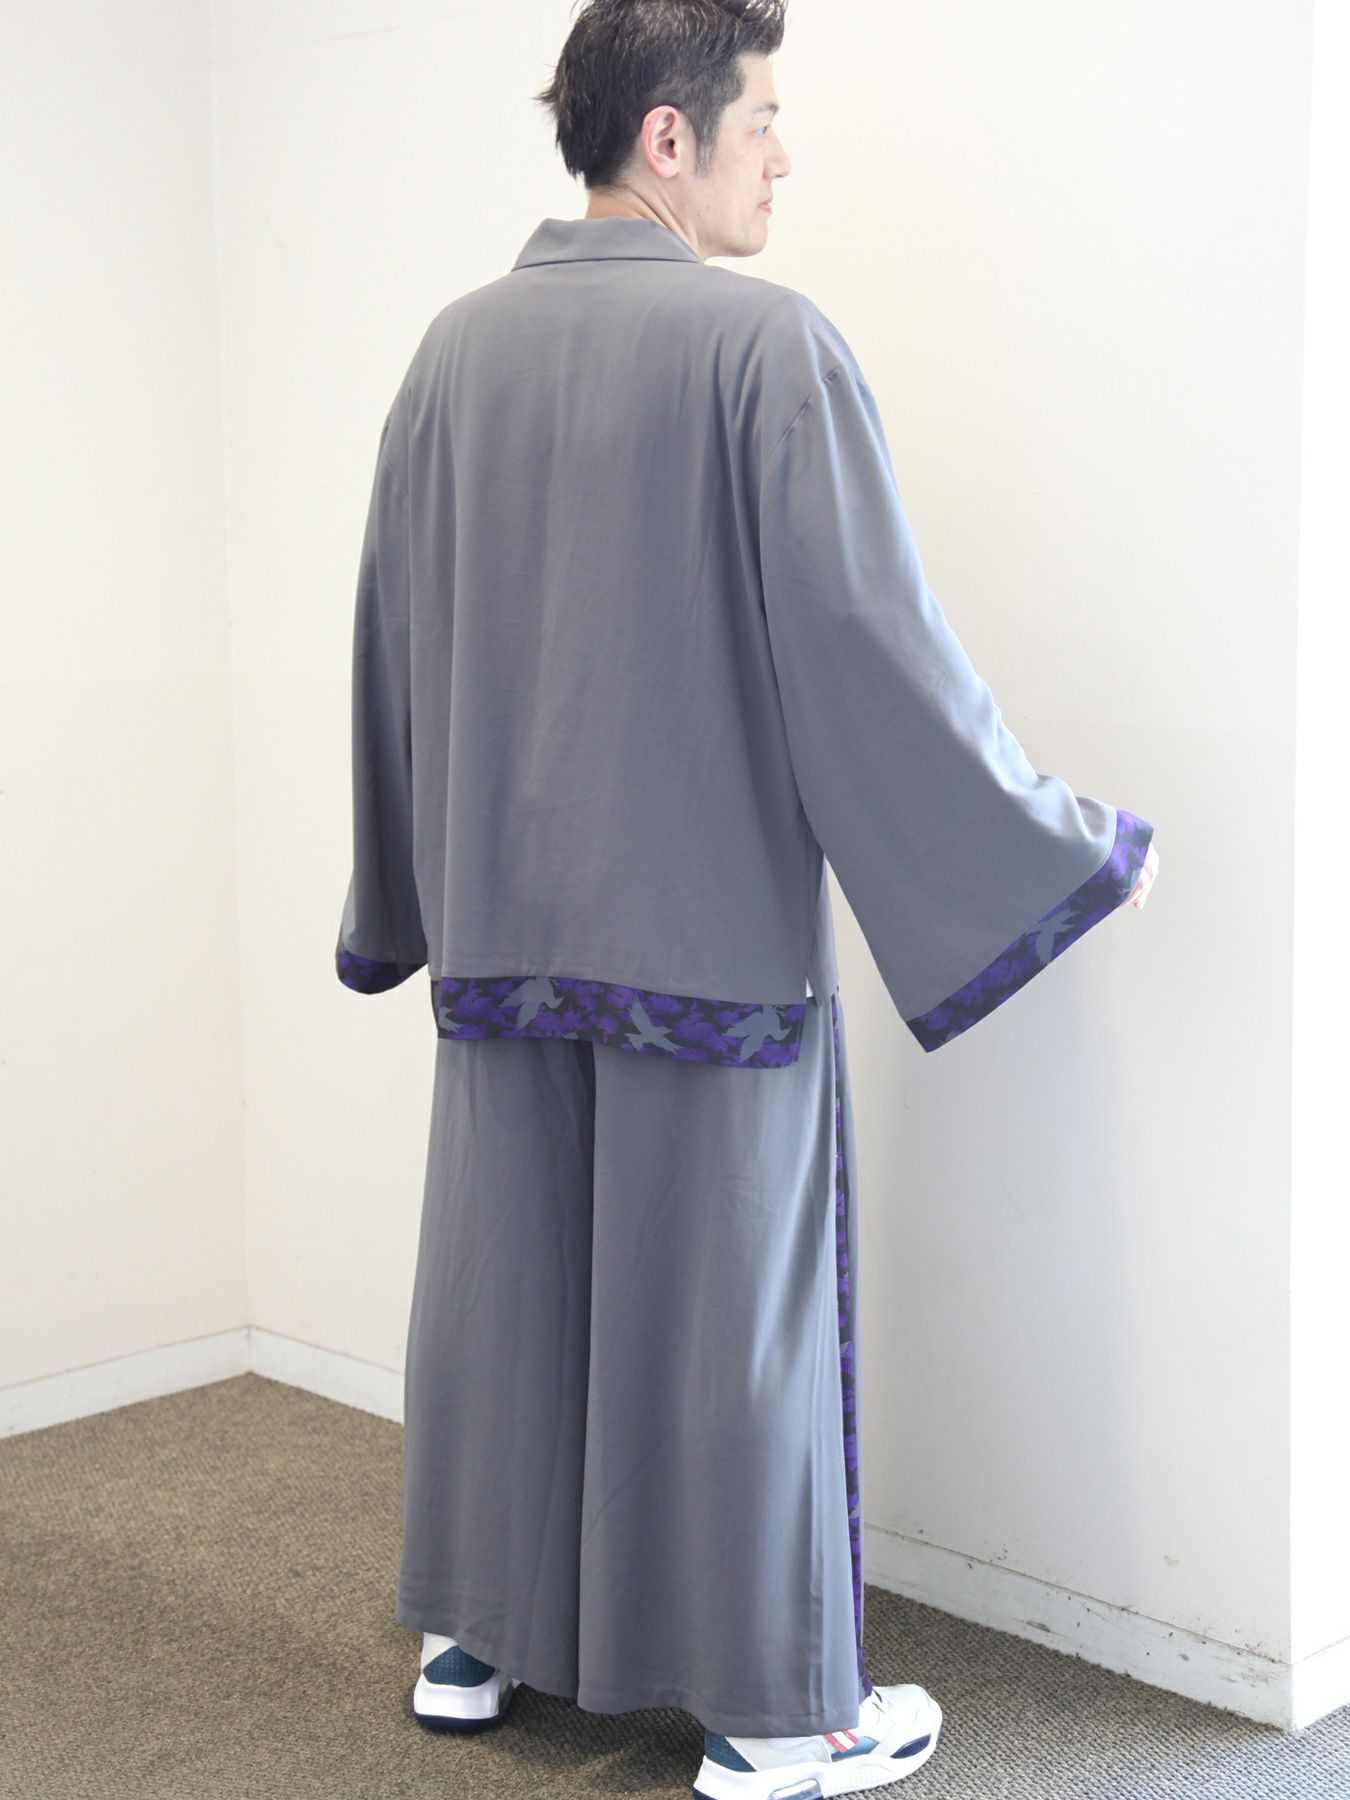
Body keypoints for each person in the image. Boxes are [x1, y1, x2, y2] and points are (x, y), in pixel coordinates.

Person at [334, 2, 1159, 1793]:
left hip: (500, 933)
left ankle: (475, 1637)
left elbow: (392, 634)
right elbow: (870, 651)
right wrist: (1053, 841)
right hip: (702, 948)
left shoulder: (449, 353)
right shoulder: (764, 348)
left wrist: (399, 899)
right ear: (667, 137)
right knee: (728, 1327)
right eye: (764, 117)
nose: (784, 154)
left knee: (508, 1287)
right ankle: (781, 1719)